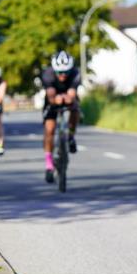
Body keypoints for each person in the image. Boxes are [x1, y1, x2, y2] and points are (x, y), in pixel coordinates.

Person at [41, 50, 81, 183]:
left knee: (75, 110)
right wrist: (55, 99)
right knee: (49, 130)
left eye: (66, 72)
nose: (63, 75)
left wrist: (68, 98)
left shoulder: (75, 74)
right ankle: (48, 165)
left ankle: (70, 136)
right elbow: (51, 95)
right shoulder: (48, 74)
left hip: (68, 95)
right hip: (52, 98)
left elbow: (72, 93)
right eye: (60, 72)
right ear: (54, 70)